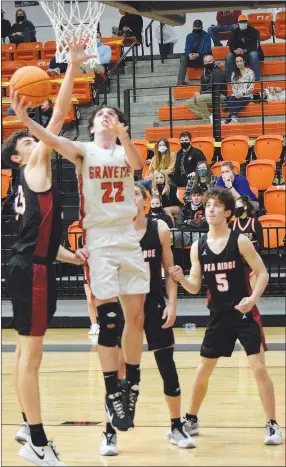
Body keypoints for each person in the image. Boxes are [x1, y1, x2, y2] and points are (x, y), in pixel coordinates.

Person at [13, 101, 150, 432]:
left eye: (112, 115)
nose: (106, 116)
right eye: (101, 115)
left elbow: (137, 163)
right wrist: (28, 122)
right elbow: (52, 138)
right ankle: (112, 390)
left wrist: (124, 138)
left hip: (127, 236)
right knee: (109, 319)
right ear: (91, 128)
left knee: (137, 316)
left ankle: (130, 382)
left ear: (121, 125)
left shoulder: (124, 151)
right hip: (100, 239)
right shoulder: (83, 150)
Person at [3, 37, 92, 466]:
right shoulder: (35, 164)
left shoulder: (24, 183)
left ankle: (25, 426)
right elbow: (57, 115)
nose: (30, 140)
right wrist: (72, 66)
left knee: (24, 353)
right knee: (32, 356)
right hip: (31, 271)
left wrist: (69, 256)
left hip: (29, 264)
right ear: (21, 157)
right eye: (24, 140)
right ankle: (38, 441)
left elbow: (38, 238)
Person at [169, 187, 283, 446]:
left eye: (217, 205)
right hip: (218, 315)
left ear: (228, 212)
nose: (211, 208)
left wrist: (252, 299)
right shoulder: (198, 247)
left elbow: (262, 273)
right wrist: (180, 279)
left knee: (258, 369)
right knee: (203, 370)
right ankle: (191, 419)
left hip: (243, 314)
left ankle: (273, 424)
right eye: (208, 204)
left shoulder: (240, 240)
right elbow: (195, 286)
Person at [99, 183, 196, 456]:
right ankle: (109, 432)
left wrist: (173, 305)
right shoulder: (115, 231)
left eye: (137, 194)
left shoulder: (159, 229)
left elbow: (170, 270)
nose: (131, 198)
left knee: (167, 364)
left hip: (153, 304)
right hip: (124, 307)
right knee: (117, 373)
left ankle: (177, 426)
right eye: (126, 195)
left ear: (145, 201)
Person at [229, 195, 264, 292]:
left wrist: (256, 262)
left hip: (252, 262)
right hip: (239, 262)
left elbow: (261, 245)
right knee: (239, 293)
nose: (235, 209)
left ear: (244, 208)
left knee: (251, 292)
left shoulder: (255, 222)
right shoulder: (233, 224)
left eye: (237, 207)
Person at [186, 55, 227, 123]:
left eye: (210, 61)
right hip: (207, 96)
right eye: (206, 62)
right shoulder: (204, 74)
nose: (207, 63)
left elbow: (216, 89)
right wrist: (198, 92)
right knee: (188, 102)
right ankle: (210, 117)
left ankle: (207, 122)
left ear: (214, 62)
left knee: (200, 98)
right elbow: (202, 88)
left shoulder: (219, 72)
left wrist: (200, 94)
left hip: (219, 95)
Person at [226, 14, 262, 82]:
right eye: (241, 22)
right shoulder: (234, 32)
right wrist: (235, 50)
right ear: (238, 23)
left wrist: (245, 50)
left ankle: (256, 78)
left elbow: (255, 46)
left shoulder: (254, 31)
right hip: (237, 53)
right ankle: (228, 79)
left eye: (244, 22)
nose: (243, 23)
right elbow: (231, 45)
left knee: (254, 54)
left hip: (249, 52)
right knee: (229, 56)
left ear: (247, 22)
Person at [177, 20, 212, 85]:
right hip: (192, 59)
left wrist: (197, 55)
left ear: (201, 27)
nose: (196, 28)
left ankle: (209, 81)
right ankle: (180, 82)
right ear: (192, 27)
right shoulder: (189, 36)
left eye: (198, 27)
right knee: (183, 58)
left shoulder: (206, 36)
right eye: (195, 26)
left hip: (202, 59)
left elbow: (207, 50)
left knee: (208, 57)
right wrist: (189, 55)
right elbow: (187, 49)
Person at [222, 55, 255, 124]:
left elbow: (251, 88)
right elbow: (233, 87)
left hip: (246, 96)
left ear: (244, 61)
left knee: (239, 101)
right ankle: (233, 117)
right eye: (237, 61)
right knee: (230, 100)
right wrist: (236, 94)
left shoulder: (250, 72)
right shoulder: (234, 74)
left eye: (240, 61)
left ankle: (228, 120)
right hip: (235, 95)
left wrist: (242, 94)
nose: (239, 63)